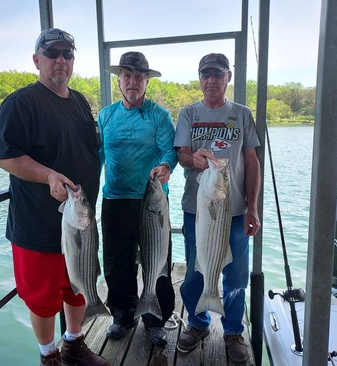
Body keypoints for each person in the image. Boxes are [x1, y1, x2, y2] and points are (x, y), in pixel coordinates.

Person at [0, 28, 109, 366]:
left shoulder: (78, 101)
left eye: (67, 54)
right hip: (38, 224)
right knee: (42, 298)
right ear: (37, 60)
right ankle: (49, 355)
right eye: (53, 53)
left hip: (82, 219)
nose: (61, 60)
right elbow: (7, 157)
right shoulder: (21, 103)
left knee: (78, 286)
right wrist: (48, 176)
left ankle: (74, 343)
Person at [173, 53, 261, 363]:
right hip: (197, 209)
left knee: (236, 276)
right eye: (205, 74)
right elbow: (182, 154)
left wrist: (253, 208)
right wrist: (192, 158)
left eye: (217, 74)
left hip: (235, 211)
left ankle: (234, 331)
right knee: (197, 271)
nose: (211, 79)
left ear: (228, 77)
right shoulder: (188, 113)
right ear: (199, 78)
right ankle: (197, 323)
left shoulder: (241, 114)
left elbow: (252, 161)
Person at [97, 51, 177, 347]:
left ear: (146, 81)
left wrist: (166, 166)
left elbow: (170, 150)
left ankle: (156, 318)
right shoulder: (106, 115)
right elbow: (99, 157)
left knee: (158, 261)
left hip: (151, 202)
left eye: (138, 77)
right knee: (117, 262)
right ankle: (123, 313)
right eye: (126, 76)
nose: (132, 82)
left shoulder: (159, 115)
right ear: (119, 81)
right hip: (115, 200)